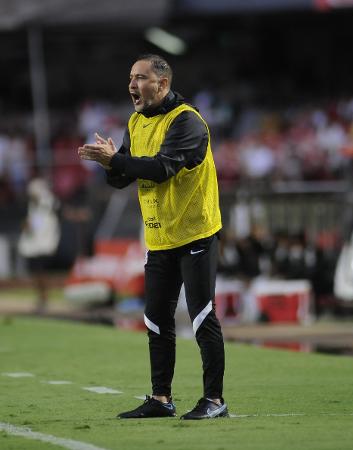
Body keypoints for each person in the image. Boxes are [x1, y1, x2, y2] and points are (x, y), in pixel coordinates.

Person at [78, 54, 228, 420]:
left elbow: (162, 169)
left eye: (140, 77)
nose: (132, 85)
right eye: (130, 77)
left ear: (162, 84)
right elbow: (123, 176)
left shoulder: (188, 122)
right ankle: (161, 400)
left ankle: (214, 401)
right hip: (161, 237)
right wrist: (107, 163)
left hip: (195, 234)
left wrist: (116, 161)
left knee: (201, 317)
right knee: (156, 320)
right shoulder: (136, 122)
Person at [17, 177, 61, 312]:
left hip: (44, 243)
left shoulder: (48, 203)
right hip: (34, 243)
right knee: (36, 272)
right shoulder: (33, 206)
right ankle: (41, 298)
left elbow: (50, 212)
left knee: (41, 272)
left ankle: (44, 298)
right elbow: (31, 224)